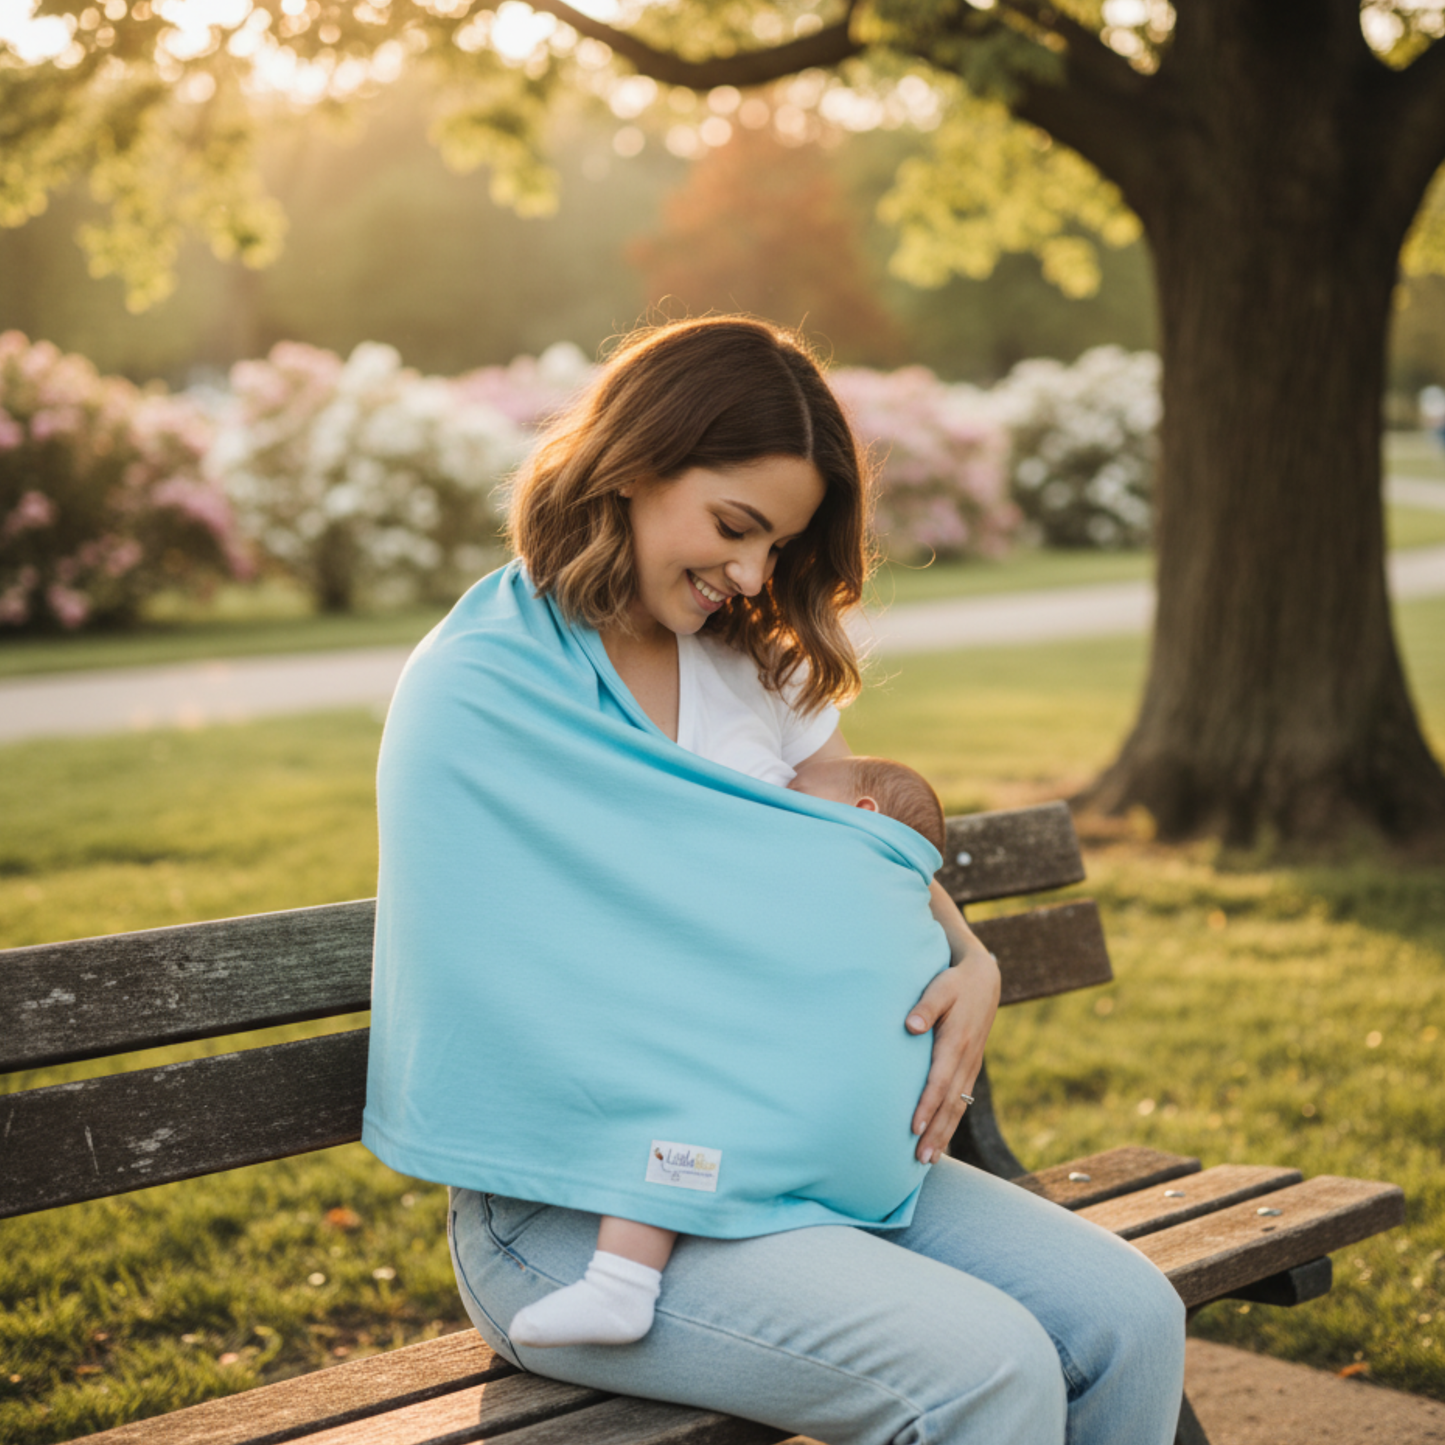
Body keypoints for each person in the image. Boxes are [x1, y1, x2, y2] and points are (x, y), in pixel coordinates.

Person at [369, 317, 1187, 1444]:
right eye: (732, 527)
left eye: (775, 545)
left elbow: (846, 852)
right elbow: (515, 976)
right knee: (983, 1372)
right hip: (580, 1202)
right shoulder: (484, 687)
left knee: (1129, 1316)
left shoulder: (747, 662)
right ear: (630, 466)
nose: (751, 574)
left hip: (805, 1148)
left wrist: (972, 954)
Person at [507, 755, 949, 1350]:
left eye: (795, 791)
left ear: (860, 813)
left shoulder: (818, 857)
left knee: (684, 1114)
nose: (778, 800)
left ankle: (620, 1284)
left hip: (800, 1122)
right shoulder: (907, 898)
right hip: (887, 1162)